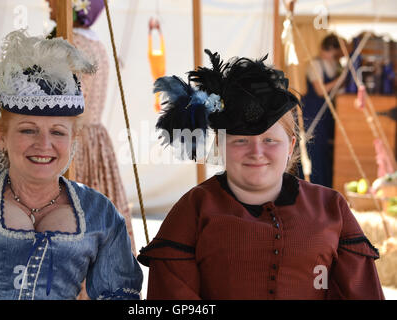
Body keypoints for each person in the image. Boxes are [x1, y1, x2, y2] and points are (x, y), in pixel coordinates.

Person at [137, 49, 384, 300]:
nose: (257, 152)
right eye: (241, 140)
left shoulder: (332, 208)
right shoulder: (193, 210)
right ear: (221, 146)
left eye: (269, 140)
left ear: (290, 145)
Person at [0, 30, 142, 300]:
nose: (44, 144)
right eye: (28, 130)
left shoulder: (99, 213)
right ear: (2, 136)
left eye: (58, 132)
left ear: (73, 139)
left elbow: (121, 295)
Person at [45, 0, 136, 254]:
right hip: (95, 138)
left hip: (73, 138)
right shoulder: (96, 43)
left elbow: (60, 101)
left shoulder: (69, 43)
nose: (48, 3)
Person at [300, 34, 344, 188]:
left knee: (324, 150)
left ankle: (324, 186)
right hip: (312, 109)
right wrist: (340, 79)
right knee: (313, 148)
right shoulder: (315, 64)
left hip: (325, 112)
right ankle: (310, 186)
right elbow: (320, 90)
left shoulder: (334, 63)